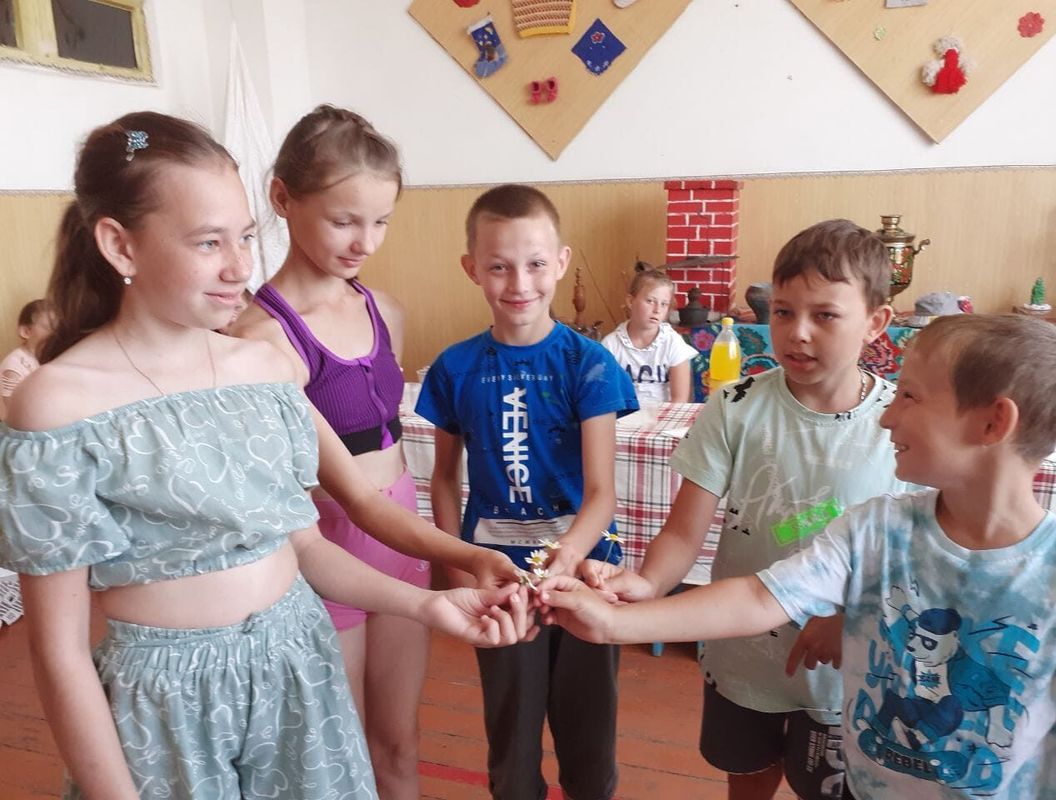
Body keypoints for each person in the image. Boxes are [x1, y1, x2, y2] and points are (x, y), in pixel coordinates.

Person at [0, 111, 532, 800]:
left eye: (246, 236)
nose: (239, 266)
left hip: (298, 670)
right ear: (119, 246)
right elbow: (59, 650)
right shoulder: (59, 406)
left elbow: (304, 549)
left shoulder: (263, 372)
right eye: (208, 242)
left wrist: (427, 605)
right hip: (167, 707)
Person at [541, 313, 1056, 800]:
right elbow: (758, 596)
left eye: (909, 396)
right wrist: (612, 622)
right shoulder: (875, 530)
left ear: (993, 423)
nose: (887, 417)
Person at [230, 105, 511, 799]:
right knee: (342, 746)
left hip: (399, 523)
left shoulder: (384, 310)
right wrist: (459, 551)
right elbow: (343, 494)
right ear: (283, 198)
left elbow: (386, 445)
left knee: (399, 741)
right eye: (343, 220)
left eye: (380, 221)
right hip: (323, 540)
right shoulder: (260, 340)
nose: (365, 241)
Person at [591, 219, 908, 800]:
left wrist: (850, 618)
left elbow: (910, 558)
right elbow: (682, 533)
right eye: (783, 312)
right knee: (747, 779)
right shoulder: (735, 407)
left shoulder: (901, 423)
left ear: (875, 322)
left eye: (825, 315)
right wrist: (649, 584)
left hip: (844, 662)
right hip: (743, 652)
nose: (798, 333)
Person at [415, 184, 639, 800]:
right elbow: (443, 478)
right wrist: (456, 566)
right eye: (499, 266)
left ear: (561, 262)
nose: (520, 283)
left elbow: (602, 493)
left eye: (536, 263)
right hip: (499, 583)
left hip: (586, 576)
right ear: (472, 269)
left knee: (589, 738)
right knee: (511, 740)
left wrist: (567, 558)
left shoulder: (589, 364)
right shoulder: (454, 368)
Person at [600, 265, 697, 405]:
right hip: (624, 415)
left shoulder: (672, 343)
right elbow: (605, 395)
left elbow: (679, 400)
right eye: (650, 301)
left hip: (664, 415)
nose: (657, 310)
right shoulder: (611, 345)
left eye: (664, 304)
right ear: (630, 301)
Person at [0, 298, 54, 420]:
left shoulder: (50, 357)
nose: (56, 333)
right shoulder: (13, 367)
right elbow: (13, 410)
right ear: (26, 332)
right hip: (13, 424)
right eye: (49, 327)